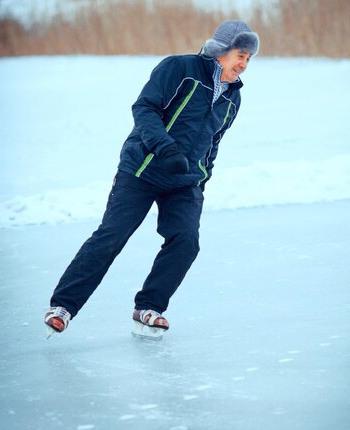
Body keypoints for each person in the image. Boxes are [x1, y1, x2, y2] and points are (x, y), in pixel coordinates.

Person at [45, 19, 260, 336]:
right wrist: (166, 148)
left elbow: (214, 143)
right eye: (240, 54)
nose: (243, 63)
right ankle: (63, 306)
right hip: (142, 169)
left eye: (248, 58)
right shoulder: (180, 68)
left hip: (185, 181)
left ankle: (149, 307)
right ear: (222, 50)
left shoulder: (233, 98)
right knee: (111, 236)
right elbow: (144, 108)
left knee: (186, 242)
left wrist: (202, 177)